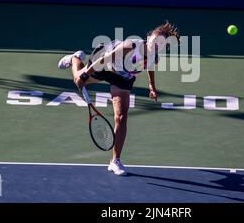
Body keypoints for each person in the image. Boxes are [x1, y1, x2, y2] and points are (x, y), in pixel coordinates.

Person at [57, 22, 180, 175]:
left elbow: (149, 67)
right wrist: (85, 75)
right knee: (78, 79)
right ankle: (75, 58)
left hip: (123, 78)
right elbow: (105, 59)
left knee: (121, 117)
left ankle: (115, 161)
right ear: (149, 38)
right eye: (156, 41)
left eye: (161, 44)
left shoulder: (154, 58)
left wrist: (151, 86)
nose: (157, 45)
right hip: (104, 64)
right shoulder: (130, 46)